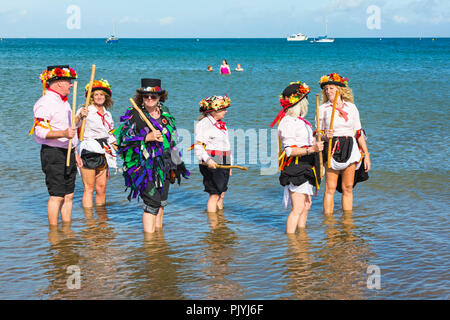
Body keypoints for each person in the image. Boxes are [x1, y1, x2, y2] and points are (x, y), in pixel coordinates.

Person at [114, 78, 190, 233]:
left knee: (161, 202)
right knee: (152, 202)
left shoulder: (166, 114)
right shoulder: (135, 115)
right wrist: (146, 138)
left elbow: (173, 140)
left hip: (165, 164)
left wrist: (178, 162)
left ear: (160, 97)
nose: (149, 99)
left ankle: (158, 239)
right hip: (142, 166)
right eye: (146, 96)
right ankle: (149, 244)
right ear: (141, 97)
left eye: (153, 96)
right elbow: (121, 141)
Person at [30, 65, 88, 226]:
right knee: (57, 195)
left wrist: (79, 118)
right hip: (53, 152)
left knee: (69, 195)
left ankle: (67, 230)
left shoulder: (64, 103)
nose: (71, 84)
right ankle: (54, 234)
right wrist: (63, 134)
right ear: (58, 83)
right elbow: (40, 132)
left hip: (69, 151)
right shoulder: (45, 103)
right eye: (68, 81)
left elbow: (70, 128)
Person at [271, 81, 324, 233]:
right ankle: (292, 243)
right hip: (296, 165)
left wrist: (321, 138)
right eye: (305, 100)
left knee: (306, 206)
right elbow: (289, 151)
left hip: (307, 164)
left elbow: (307, 142)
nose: (307, 103)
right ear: (299, 103)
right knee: (298, 207)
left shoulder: (302, 122)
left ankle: (301, 237)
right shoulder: (288, 122)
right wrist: (311, 149)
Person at [317, 73, 371, 215]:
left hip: (350, 146)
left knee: (347, 187)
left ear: (340, 90)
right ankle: (328, 222)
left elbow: (358, 132)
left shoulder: (351, 107)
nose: (328, 91)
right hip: (331, 148)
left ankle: (347, 222)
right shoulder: (322, 109)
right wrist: (324, 136)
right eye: (326, 89)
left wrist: (366, 155)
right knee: (330, 187)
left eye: (331, 88)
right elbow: (317, 134)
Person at [76, 79, 117, 208]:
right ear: (92, 97)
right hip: (90, 149)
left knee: (101, 187)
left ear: (106, 97)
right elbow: (74, 125)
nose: (99, 97)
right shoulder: (85, 110)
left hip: (104, 151)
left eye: (102, 94)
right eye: (96, 94)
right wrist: (80, 116)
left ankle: (101, 220)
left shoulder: (108, 114)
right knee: (89, 188)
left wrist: (118, 147)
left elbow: (110, 134)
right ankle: (89, 222)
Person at [192, 95, 233, 213]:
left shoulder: (220, 124)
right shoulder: (204, 124)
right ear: (215, 111)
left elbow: (226, 144)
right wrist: (208, 160)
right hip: (212, 160)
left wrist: (230, 164)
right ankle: (213, 225)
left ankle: (221, 221)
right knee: (214, 194)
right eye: (224, 109)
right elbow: (198, 146)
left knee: (222, 194)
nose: (226, 111)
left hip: (224, 160)